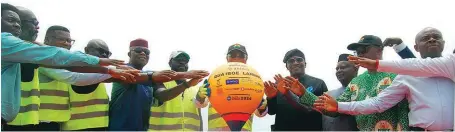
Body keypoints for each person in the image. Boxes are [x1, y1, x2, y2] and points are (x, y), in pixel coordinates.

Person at [1, 3, 124, 128]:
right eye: (32, 23)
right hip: (27, 124)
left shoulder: (22, 52)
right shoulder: (10, 45)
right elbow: (68, 69)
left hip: (33, 123)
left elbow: (63, 59)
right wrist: (106, 69)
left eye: (69, 41)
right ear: (47, 40)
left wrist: (106, 69)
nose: (67, 44)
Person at [315, 27, 454, 131]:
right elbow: (377, 103)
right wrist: (338, 105)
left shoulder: (395, 74)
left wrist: (380, 63)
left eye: (436, 36)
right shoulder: (405, 76)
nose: (431, 39)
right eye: (359, 51)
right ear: (416, 47)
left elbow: (417, 65)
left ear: (443, 42)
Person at [297, 35, 409, 131]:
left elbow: (405, 111)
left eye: (364, 49)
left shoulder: (397, 75)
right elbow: (333, 109)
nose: (360, 54)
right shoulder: (356, 82)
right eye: (358, 52)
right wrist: (304, 94)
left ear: (379, 50)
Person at [108, 38, 209, 131]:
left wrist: (189, 84)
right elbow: (140, 77)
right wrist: (186, 76)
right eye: (138, 50)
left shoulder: (151, 82)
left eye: (146, 52)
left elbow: (163, 95)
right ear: (129, 54)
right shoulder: (122, 70)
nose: (143, 53)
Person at [194, 44, 268, 131]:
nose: (236, 58)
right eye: (232, 55)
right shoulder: (217, 77)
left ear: (246, 59)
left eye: (241, 56)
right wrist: (200, 96)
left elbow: (260, 114)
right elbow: (199, 104)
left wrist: (262, 106)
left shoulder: (253, 80)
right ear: (227, 58)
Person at [263, 48, 327, 131]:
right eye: (291, 61)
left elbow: (324, 111)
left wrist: (288, 94)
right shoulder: (279, 85)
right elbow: (271, 112)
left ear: (305, 64)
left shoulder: (319, 83)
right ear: (287, 67)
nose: (295, 63)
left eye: (299, 60)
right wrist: (271, 98)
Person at [149, 51, 205, 131]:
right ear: (170, 63)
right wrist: (187, 85)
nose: (182, 62)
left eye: (185, 61)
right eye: (178, 60)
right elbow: (163, 96)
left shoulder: (195, 88)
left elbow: (198, 116)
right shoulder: (159, 82)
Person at [322, 54, 359, 131]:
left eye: (343, 67)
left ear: (355, 69)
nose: (339, 71)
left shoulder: (363, 90)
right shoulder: (329, 94)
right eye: (337, 69)